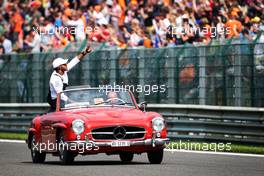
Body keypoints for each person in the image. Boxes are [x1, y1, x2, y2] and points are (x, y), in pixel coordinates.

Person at [47, 44, 92, 112]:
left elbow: (74, 61)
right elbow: (60, 95)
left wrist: (84, 52)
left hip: (62, 98)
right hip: (56, 101)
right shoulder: (55, 79)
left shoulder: (63, 71)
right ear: (59, 67)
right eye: (64, 64)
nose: (66, 64)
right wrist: (72, 102)